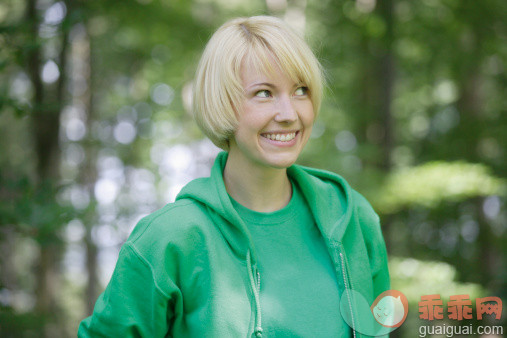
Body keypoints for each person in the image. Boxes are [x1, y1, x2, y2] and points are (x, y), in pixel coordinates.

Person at [78, 15, 390, 337]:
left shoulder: (352, 217)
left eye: (300, 90)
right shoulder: (170, 238)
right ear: (222, 103)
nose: (289, 114)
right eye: (264, 93)